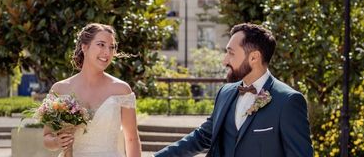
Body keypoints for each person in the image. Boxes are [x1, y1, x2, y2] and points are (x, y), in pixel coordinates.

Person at [155, 23, 313, 157]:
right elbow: (202, 137)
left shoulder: (288, 101)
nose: (224, 61)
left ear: (254, 57)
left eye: (231, 53)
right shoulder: (225, 92)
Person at [43, 23, 141, 157]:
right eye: (101, 44)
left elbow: (132, 139)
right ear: (84, 47)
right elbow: (47, 137)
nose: (107, 52)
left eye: (111, 47)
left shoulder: (121, 89)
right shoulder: (60, 89)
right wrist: (57, 141)